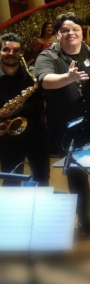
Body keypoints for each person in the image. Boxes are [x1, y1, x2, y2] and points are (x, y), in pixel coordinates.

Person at [34, 13, 90, 236]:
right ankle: (84, 218)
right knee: (76, 175)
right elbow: (44, 80)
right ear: (58, 34)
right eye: (65, 30)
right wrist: (68, 77)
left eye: (75, 29)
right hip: (67, 127)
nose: (71, 33)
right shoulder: (47, 56)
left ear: (82, 32)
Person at [0, 33, 48, 187]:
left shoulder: (32, 75)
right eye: (6, 49)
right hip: (7, 136)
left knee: (41, 178)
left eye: (16, 50)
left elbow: (43, 102)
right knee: (11, 180)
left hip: (36, 132)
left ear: (21, 53)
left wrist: (21, 108)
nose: (11, 53)